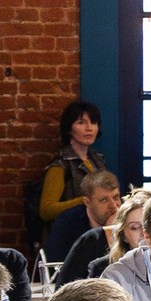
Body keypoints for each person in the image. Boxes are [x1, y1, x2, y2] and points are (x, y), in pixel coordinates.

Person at [37, 97, 107, 228]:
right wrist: (85, 201)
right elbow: (46, 211)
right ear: (69, 128)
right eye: (81, 123)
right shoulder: (60, 165)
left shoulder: (98, 160)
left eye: (93, 122)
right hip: (70, 233)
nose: (89, 128)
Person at [50, 168, 124, 270]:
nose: (113, 205)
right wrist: (107, 233)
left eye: (116, 197)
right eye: (104, 200)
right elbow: (56, 268)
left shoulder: (128, 219)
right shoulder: (67, 222)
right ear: (87, 202)